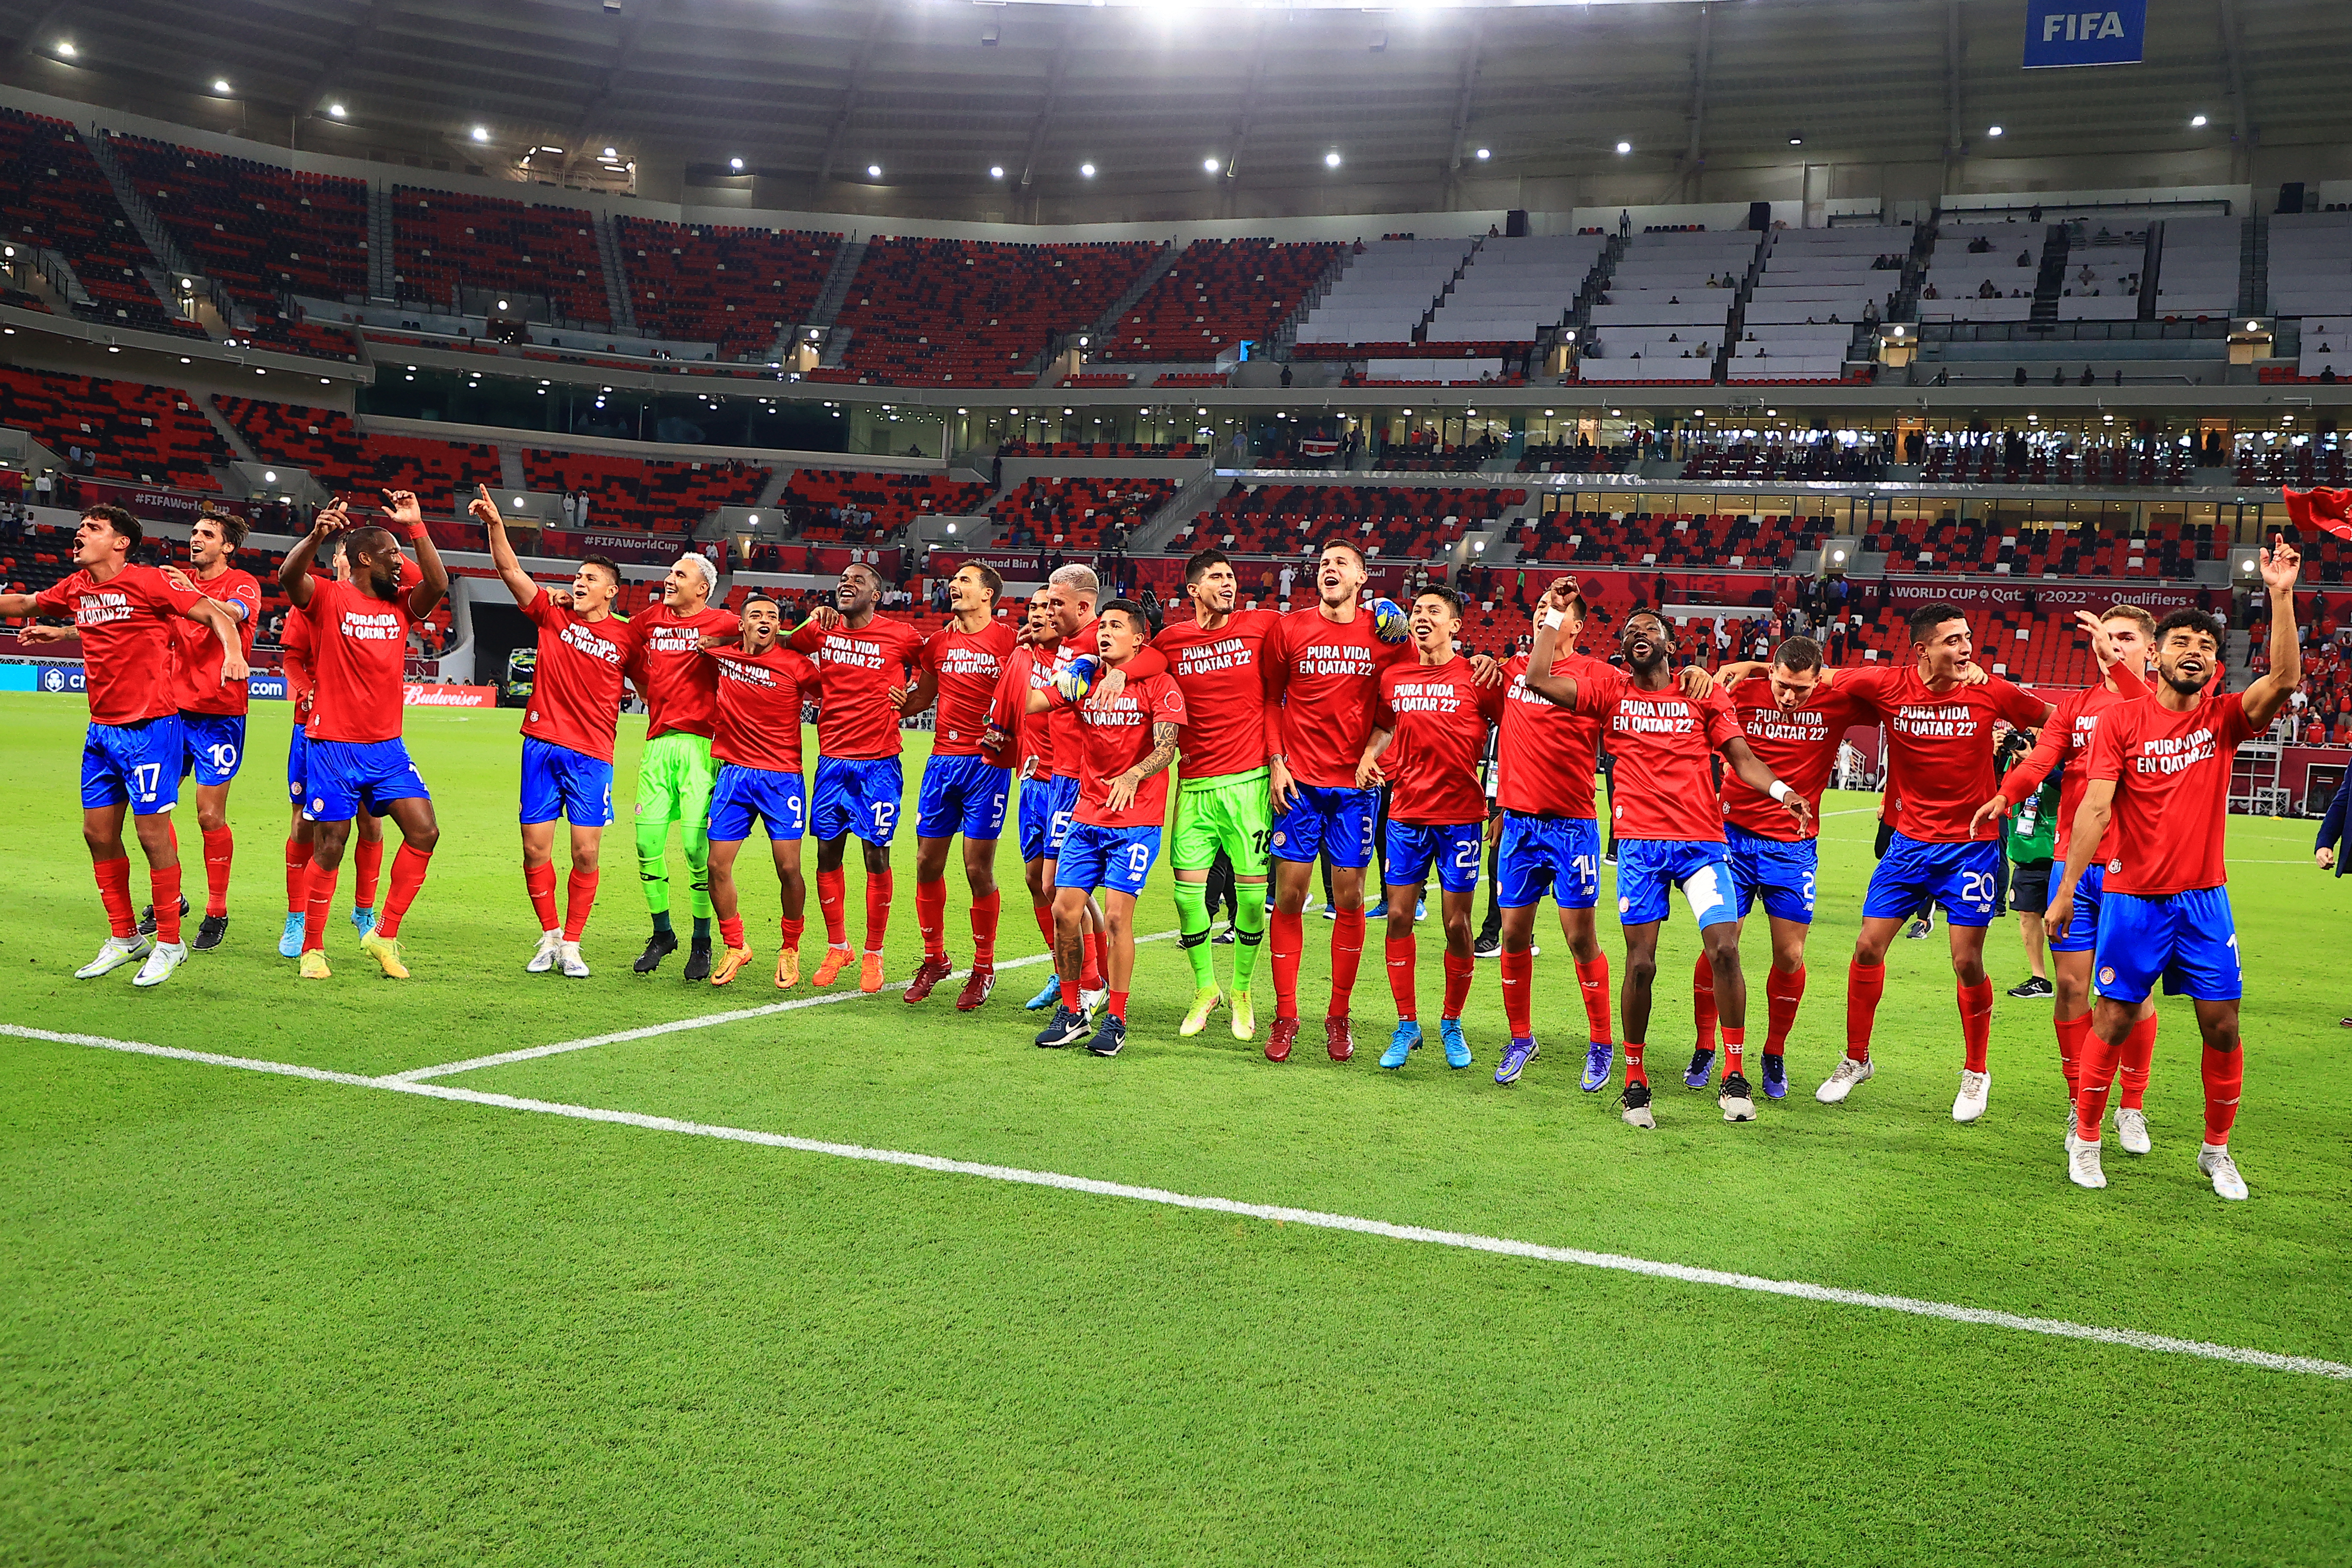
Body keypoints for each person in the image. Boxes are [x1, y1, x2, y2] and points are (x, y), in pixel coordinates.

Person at [2049, 539, 2303, 1198]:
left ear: (2216, 664)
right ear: (2156, 653)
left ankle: (2215, 1151)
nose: (2194, 651)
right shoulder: (2123, 721)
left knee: (2222, 1022)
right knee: (2113, 1018)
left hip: (2204, 900)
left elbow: (2283, 680)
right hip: (2132, 896)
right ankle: (2087, 1135)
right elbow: (2095, 810)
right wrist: (2069, 890)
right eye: (2182, 641)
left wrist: (2279, 594)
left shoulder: (2224, 718)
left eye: (2207, 646)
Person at [1522, 591, 1811, 1129]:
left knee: (1725, 948)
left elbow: (1741, 757)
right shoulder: (1610, 691)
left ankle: (1733, 1074)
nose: (1639, 634)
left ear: (1670, 645)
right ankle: (1635, 1082)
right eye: (1631, 630)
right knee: (1642, 964)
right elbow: (1538, 678)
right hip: (1641, 849)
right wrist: (1555, 616)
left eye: (1650, 629)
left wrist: (1782, 791)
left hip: (1702, 846)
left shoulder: (1700, 695)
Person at [1817, 603, 2055, 1120]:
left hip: (1970, 846)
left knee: (1967, 961)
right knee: (1866, 948)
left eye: (1968, 638)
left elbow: (2055, 724)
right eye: (1952, 640)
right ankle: (1856, 1059)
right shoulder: (1886, 684)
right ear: (1922, 649)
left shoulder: (1993, 690)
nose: (1966, 648)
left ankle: (1976, 1072)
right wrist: (1745, 668)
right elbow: (1819, 674)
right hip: (1908, 846)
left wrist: (2024, 776)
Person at [0, 504, 249, 986]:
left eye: (91, 529)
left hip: (150, 729)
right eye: (79, 529)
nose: (79, 536)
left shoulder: (152, 580)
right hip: (102, 731)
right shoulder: (77, 588)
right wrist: (60, 628)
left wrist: (235, 655)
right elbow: (28, 603)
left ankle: (171, 944)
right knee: (97, 834)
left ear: (120, 542)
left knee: (153, 835)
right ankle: (125, 937)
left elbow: (215, 615)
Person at [1973, 605, 2156, 1136]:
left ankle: (2132, 1104)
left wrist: (2116, 665)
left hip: (2139, 870)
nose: (2114, 645)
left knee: (2133, 993)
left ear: (2148, 647)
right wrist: (2006, 795)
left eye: (2125, 638)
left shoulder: (2162, 707)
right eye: (2107, 637)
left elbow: (2147, 710)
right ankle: (2082, 1100)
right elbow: (2038, 760)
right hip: (2072, 867)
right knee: (2073, 989)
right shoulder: (2074, 707)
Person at [1487, 585, 1671, 1090]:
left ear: (1577, 625)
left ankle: (1601, 1042)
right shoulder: (1508, 671)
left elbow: (1653, 692)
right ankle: (1521, 1038)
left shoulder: (1601, 676)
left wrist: (1694, 672)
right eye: (1538, 609)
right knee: (1513, 935)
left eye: (1556, 610)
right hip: (1520, 824)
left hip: (1573, 825)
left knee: (1579, 937)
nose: (1544, 615)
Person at [277, 492, 450, 980]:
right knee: (331, 844)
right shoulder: (330, 598)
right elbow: (290, 578)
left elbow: (437, 581)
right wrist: (315, 537)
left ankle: (384, 934)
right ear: (365, 559)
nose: (402, 562)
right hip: (332, 745)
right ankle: (313, 947)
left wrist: (416, 528)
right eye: (394, 553)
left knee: (425, 831)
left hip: (388, 748)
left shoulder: (401, 605)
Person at [1264, 540, 1417, 1062]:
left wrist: (1375, 752)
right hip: (1301, 782)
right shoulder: (1290, 628)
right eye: (1324, 563)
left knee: (1349, 898)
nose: (1329, 569)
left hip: (1356, 789)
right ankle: (1286, 1016)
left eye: (1341, 564)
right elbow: (1271, 699)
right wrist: (1277, 762)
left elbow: (1401, 703)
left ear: (1362, 578)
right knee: (1290, 897)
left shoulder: (1386, 635)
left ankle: (1338, 1015)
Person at [1704, 635, 1869, 1102]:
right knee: (1722, 946)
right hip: (1732, 836)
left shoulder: (1838, 701)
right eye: (1782, 684)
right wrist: (1750, 668)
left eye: (1801, 688)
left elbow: (1893, 694)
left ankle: (1773, 1051)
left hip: (1793, 848)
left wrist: (1756, 663)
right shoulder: (1741, 689)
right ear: (1771, 674)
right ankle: (1705, 1045)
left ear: (1820, 680)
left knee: (1791, 956)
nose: (1789, 697)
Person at [471, 487, 627, 978]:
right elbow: (510, 571)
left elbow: (655, 679)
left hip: (592, 755)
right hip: (541, 747)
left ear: (611, 591)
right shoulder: (550, 612)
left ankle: (575, 943)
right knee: (534, 849)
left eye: (591, 579)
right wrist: (497, 525)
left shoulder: (628, 634)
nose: (579, 582)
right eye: (578, 576)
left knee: (585, 851)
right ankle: (552, 936)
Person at [1026, 599, 1187, 1057]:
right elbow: (1033, 703)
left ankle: (1116, 1018)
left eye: (1116, 626)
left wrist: (1134, 775)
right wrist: (1063, 664)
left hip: (1135, 820)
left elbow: (1167, 749)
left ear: (1138, 638)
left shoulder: (1161, 684)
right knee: (1063, 910)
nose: (1104, 631)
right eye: (1102, 626)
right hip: (1087, 813)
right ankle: (1074, 1008)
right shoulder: (1085, 678)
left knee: (1117, 918)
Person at [1360, 586, 1506, 1071]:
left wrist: (1503, 801)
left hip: (1461, 817)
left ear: (1456, 625)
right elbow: (1383, 726)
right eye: (1417, 610)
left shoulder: (1479, 677)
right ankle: (1406, 1024)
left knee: (1456, 924)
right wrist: (1369, 755)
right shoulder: (1394, 677)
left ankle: (1451, 1021)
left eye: (1434, 611)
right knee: (1399, 917)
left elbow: (1517, 733)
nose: (1422, 617)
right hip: (1405, 815)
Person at [1151, 549, 1280, 1048]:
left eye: (1231, 576)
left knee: (1251, 900)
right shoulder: (1172, 640)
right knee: (1187, 897)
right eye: (1217, 577)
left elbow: (1316, 628)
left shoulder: (1261, 624)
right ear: (1193, 591)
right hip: (1195, 785)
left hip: (1249, 785)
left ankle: (1243, 990)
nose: (1229, 583)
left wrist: (1379, 614)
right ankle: (1205, 988)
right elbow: (1133, 659)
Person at [790, 561, 928, 993]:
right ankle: (838, 946)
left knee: (875, 857)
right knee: (826, 856)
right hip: (832, 760)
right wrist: (812, 624)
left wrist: (911, 702)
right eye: (843, 580)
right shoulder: (821, 629)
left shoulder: (901, 635)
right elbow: (786, 651)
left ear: (878, 595)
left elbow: (935, 667)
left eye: (859, 581)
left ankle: (873, 953)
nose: (847, 584)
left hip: (879, 763)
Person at [897, 562, 1017, 1008]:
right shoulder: (938, 642)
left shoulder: (1009, 642)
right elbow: (923, 698)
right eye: (954, 580)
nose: (954, 585)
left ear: (988, 594)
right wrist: (889, 704)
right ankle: (935, 960)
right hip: (941, 762)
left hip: (987, 766)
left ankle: (983, 969)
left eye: (966, 580)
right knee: (927, 863)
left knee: (976, 868)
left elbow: (1027, 695)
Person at [621, 553, 738, 981]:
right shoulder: (650, 619)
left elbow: (767, 637)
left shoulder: (724, 624)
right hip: (656, 747)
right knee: (646, 845)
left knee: (695, 850)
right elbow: (620, 640)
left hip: (702, 750)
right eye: (671, 572)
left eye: (679, 575)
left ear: (702, 588)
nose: (669, 579)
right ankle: (662, 933)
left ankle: (702, 941)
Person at [698, 591, 820, 987]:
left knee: (788, 867)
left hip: (782, 776)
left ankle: (790, 948)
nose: (764, 620)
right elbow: (692, 643)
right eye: (756, 615)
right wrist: (714, 642)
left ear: (780, 626)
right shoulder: (724, 656)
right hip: (733, 775)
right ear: (743, 624)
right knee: (716, 865)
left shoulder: (797, 666)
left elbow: (835, 696)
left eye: (772, 615)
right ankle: (736, 945)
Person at [156, 507, 262, 950]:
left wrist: (186, 590)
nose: (196, 538)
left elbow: (234, 615)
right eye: (194, 532)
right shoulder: (176, 580)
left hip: (219, 713)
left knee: (208, 814)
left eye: (207, 534)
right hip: (170, 711)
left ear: (228, 546)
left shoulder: (242, 583)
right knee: (154, 809)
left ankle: (216, 909)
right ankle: (172, 897)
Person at [275, 540, 387, 957]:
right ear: (338, 558)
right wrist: (305, 689)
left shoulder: (381, 603)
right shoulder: (312, 599)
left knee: (372, 824)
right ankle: (297, 917)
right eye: (345, 551)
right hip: (314, 730)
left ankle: (363, 911)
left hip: (369, 733)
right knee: (306, 827)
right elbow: (291, 658)